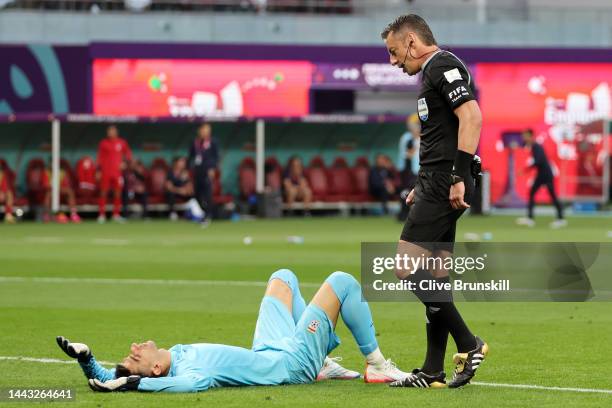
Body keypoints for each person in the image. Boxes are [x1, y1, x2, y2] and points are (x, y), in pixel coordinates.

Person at [57, 269, 411, 393]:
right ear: (154, 370)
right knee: (342, 282)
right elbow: (190, 385)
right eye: (135, 356)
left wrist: (88, 360)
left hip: (268, 349)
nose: (135, 346)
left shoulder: (176, 355)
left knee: (283, 277)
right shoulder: (187, 372)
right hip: (290, 364)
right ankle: (376, 363)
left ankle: (322, 361)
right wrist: (134, 384)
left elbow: (108, 377)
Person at [382, 14, 488, 388]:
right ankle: (432, 370)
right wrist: (420, 181)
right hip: (435, 180)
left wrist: (456, 176)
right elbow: (441, 135)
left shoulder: (441, 64)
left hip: (446, 182)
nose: (394, 62)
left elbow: (471, 115)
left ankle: (469, 342)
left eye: (395, 52)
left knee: (405, 267)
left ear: (412, 41)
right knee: (437, 274)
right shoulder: (433, 72)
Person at [516, 129, 566, 228]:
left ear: (531, 136)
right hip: (542, 174)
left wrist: (525, 170)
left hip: (546, 174)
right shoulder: (534, 146)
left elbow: (539, 161)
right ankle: (530, 218)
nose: (524, 138)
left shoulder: (536, 146)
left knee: (552, 195)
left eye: (525, 136)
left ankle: (560, 219)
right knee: (532, 193)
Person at [97, 125, 132, 223]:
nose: (110, 133)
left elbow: (128, 154)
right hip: (105, 172)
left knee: (118, 193)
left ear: (116, 132)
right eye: (109, 131)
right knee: (103, 192)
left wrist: (125, 163)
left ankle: (116, 214)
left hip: (117, 173)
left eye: (112, 131)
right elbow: (100, 157)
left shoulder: (122, 143)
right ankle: (101, 214)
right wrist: (99, 170)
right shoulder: (103, 143)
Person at [188, 124, 218, 226]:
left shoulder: (213, 142)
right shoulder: (195, 142)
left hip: (207, 171)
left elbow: (216, 156)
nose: (207, 132)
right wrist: (187, 169)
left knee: (207, 194)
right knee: (197, 195)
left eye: (208, 130)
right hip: (197, 171)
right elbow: (191, 157)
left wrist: (212, 168)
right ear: (200, 130)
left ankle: (208, 215)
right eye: (205, 130)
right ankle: (203, 212)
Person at [41, 159, 81, 223]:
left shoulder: (62, 172)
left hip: (60, 192)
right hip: (51, 192)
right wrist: (53, 188)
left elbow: (66, 185)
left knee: (70, 191)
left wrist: (59, 189)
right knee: (48, 194)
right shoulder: (46, 172)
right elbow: (45, 186)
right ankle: (47, 215)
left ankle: (74, 214)